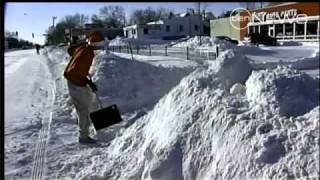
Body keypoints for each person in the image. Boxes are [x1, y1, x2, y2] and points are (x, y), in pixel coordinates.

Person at [64, 31, 104, 144]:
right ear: (96, 43)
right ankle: (83, 136)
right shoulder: (88, 53)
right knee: (83, 109)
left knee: (88, 102)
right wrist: (89, 82)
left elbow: (70, 50)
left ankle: (88, 125)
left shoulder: (84, 47)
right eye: (100, 42)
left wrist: (78, 44)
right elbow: (78, 72)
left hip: (74, 79)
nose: (100, 45)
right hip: (75, 81)